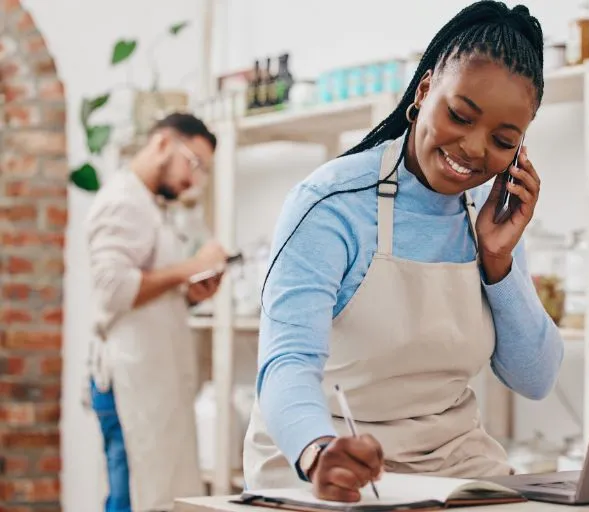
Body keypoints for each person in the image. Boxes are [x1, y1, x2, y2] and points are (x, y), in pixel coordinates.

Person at [244, 0, 564, 502]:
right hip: (332, 458)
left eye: (503, 140)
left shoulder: (487, 213)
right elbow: (287, 360)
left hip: (452, 462)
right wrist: (317, 450)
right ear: (424, 90)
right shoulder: (331, 204)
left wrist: (498, 263)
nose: (475, 150)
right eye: (460, 115)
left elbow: (536, 378)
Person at [84, 113, 228, 512]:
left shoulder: (150, 205)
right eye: (193, 164)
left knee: (155, 492)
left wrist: (192, 292)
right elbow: (112, 289)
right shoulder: (121, 202)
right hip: (127, 380)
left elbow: (147, 290)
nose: (193, 181)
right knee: (130, 495)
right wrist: (191, 264)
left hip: (152, 374)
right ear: (163, 144)